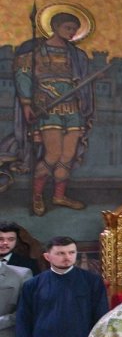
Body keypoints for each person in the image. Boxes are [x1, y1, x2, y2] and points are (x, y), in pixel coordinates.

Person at [13, 12, 94, 216]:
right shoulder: (37, 51)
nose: (71, 33)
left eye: (74, 30)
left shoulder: (76, 54)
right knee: (53, 155)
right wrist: (26, 103)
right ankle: (38, 196)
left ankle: (59, 195)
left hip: (73, 108)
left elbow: (83, 78)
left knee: (68, 155)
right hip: (49, 108)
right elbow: (23, 75)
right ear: (55, 26)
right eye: (68, 28)